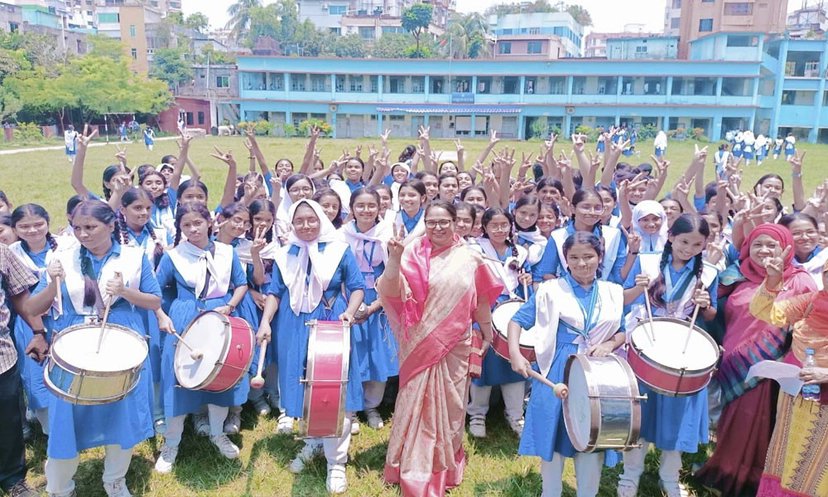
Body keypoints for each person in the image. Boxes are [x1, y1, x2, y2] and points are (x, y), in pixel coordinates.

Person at [36, 200, 161, 497]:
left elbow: (154, 301)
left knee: (121, 413)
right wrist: (50, 281)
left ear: (110, 225)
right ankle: (59, 486)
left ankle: (115, 480)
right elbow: (42, 305)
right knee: (65, 415)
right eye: (77, 228)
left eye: (90, 227)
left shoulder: (133, 256)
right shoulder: (60, 256)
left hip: (121, 339)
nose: (83, 234)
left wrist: (125, 292)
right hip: (73, 340)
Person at [378, 200, 502, 496]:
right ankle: (409, 464)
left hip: (455, 344)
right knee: (415, 403)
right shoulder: (410, 255)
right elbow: (390, 291)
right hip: (418, 345)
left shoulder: (471, 257)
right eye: (431, 222)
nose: (438, 227)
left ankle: (445, 461)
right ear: (424, 223)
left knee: (451, 405)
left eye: (444, 221)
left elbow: (481, 299)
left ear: (457, 222)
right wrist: (394, 259)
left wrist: (487, 331)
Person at [696, 224, 817, 496]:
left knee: (763, 426)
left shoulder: (800, 280)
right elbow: (715, 317)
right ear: (748, 246)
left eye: (771, 245)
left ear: (785, 248)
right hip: (733, 364)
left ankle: (755, 481)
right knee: (732, 424)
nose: (764, 250)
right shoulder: (733, 276)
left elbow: (810, 325)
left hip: (775, 370)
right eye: (758, 244)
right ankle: (725, 471)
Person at [256, 199, 365, 494]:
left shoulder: (339, 249)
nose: (306, 226)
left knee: (334, 388)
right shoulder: (284, 254)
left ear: (321, 220)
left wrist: (350, 313)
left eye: (311, 219)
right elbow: (275, 292)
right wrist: (266, 322)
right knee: (304, 387)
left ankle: (336, 462)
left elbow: (357, 287)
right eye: (299, 221)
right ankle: (313, 442)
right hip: (293, 326)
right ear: (292, 224)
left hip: (330, 320)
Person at [509, 231, 626, 497]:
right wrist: (516, 353)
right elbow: (517, 320)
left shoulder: (612, 292)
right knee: (553, 426)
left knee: (591, 427)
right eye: (574, 257)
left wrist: (609, 344)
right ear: (565, 260)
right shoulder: (550, 291)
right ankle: (550, 491)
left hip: (596, 367)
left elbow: (623, 330)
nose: (582, 263)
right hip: (558, 365)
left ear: (600, 257)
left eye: (588, 256)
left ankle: (588, 491)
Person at [618, 214, 717, 497]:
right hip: (646, 346)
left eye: (697, 244)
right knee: (641, 414)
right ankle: (630, 474)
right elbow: (625, 299)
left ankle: (670, 476)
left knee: (678, 417)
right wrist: (638, 286)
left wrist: (706, 304)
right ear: (671, 236)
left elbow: (711, 315)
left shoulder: (707, 272)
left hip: (682, 350)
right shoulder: (647, 262)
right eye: (684, 241)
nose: (688, 249)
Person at [153, 202, 250, 473]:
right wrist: (163, 315)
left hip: (220, 316)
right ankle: (171, 443)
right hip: (186, 318)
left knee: (218, 378)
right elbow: (155, 292)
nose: (193, 229)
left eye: (198, 222)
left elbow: (241, 283)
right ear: (180, 228)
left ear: (210, 222)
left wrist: (230, 305)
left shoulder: (227, 252)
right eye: (186, 225)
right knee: (179, 379)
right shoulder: (173, 256)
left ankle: (218, 432)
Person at [750, 252, 828, 497]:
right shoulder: (812, 300)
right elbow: (765, 311)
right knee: (787, 462)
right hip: (798, 393)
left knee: (817, 472)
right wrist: (772, 282)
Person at [468, 208, 531, 438]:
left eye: (504, 224)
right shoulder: (475, 250)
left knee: (513, 361)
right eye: (493, 225)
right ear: (484, 227)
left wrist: (528, 280)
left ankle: (515, 415)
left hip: (511, 313)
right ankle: (477, 414)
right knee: (483, 366)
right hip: (485, 310)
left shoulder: (521, 252)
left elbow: (527, 285)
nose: (499, 229)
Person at [342, 188, 397, 431]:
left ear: (380, 208)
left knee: (378, 354)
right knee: (351, 355)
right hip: (347, 298)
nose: (366, 210)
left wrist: (375, 305)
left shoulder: (389, 234)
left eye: (371, 205)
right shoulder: (339, 236)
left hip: (380, 297)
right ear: (352, 208)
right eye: (360, 205)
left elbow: (395, 275)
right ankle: (350, 408)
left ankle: (371, 405)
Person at [0, 243, 51, 497]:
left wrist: (39, 332)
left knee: (8, 420)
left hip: (2, 354)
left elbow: (20, 294)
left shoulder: (1, 251)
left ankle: (12, 479)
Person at [9, 204, 60, 437]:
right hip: (28, 323)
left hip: (61, 320)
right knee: (35, 374)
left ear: (47, 223)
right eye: (24, 226)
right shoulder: (11, 253)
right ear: (15, 228)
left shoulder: (64, 247)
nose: (32, 230)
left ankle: (72, 421)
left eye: (38, 224)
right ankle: (50, 429)